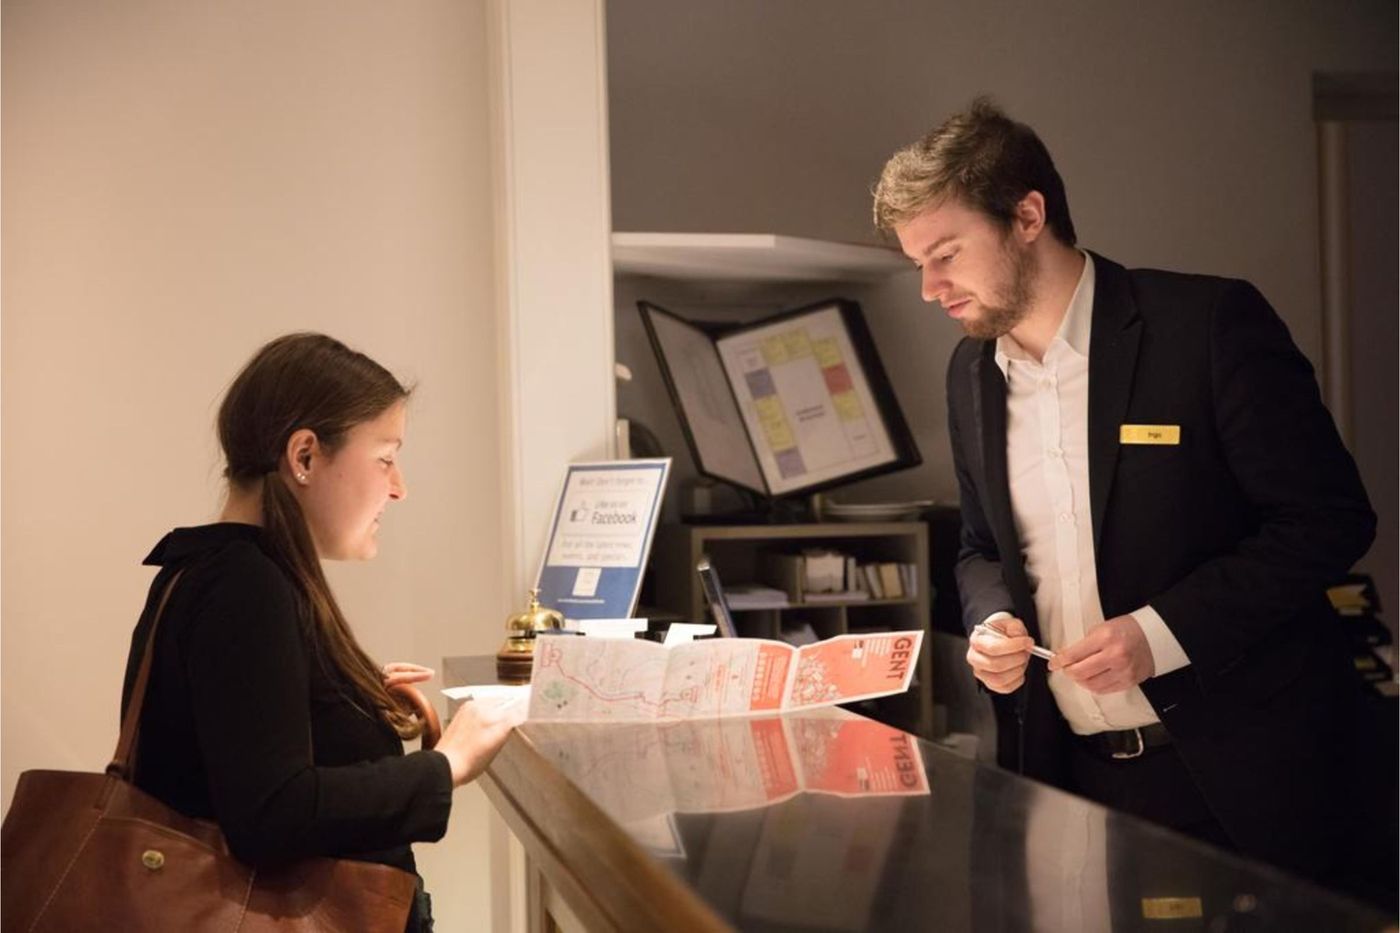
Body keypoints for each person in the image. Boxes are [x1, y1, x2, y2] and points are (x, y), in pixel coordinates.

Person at [872, 99, 1391, 898]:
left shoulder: (1207, 324)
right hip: (1064, 778)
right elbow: (980, 546)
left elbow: (1329, 519)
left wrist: (1162, 633)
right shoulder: (970, 374)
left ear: (1028, 216)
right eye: (918, 264)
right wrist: (990, 622)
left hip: (1241, 778)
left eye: (945, 253)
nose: (928, 289)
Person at [120, 333, 515, 932]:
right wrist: (447, 766)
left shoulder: (212, 570)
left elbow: (234, 745)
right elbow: (271, 814)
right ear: (304, 456)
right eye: (385, 457)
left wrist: (345, 700)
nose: (399, 486)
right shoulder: (244, 585)